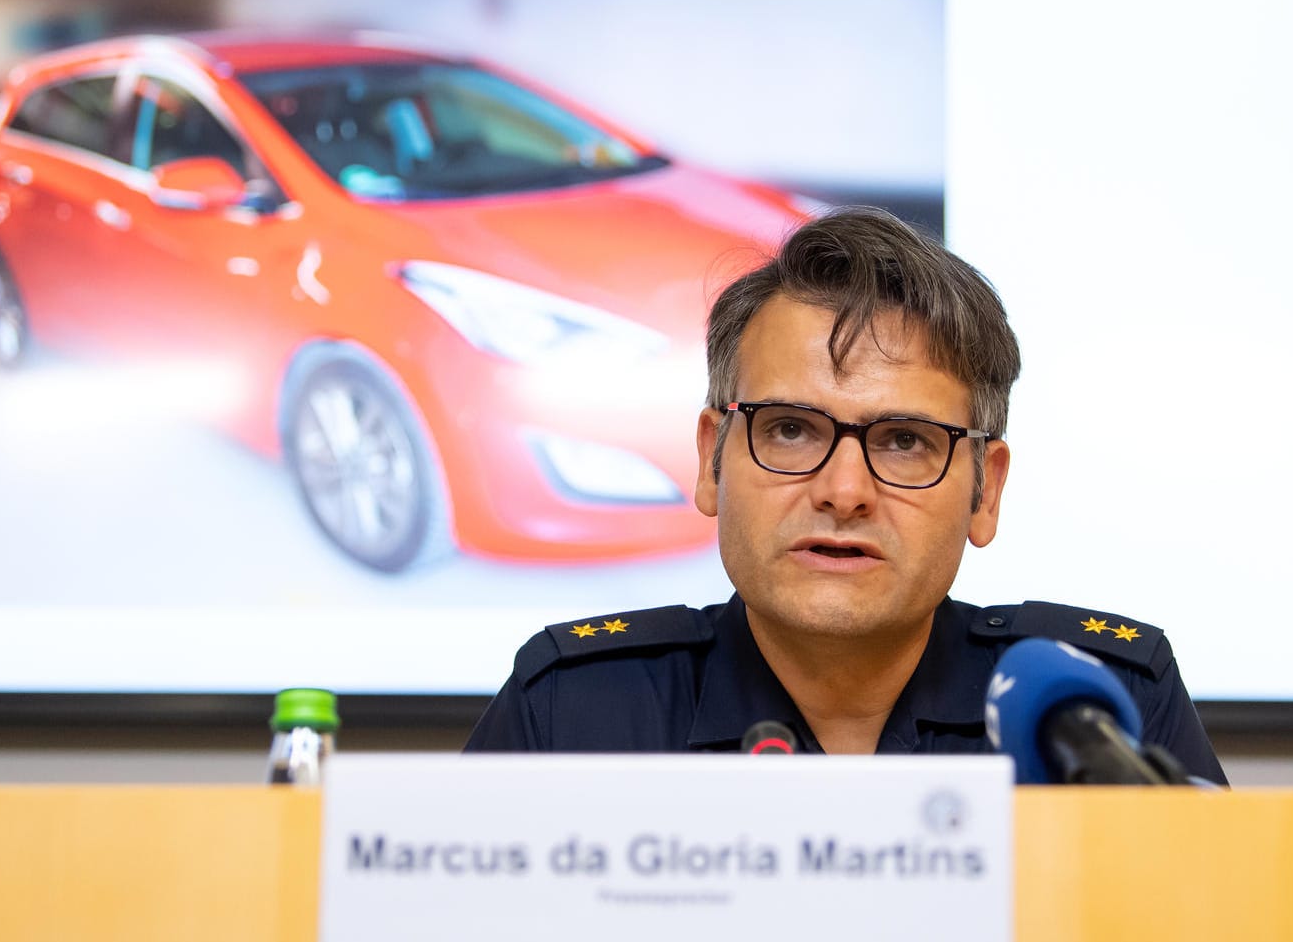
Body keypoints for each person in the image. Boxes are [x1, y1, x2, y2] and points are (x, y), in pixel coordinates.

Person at [464, 205, 1225, 783]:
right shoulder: (573, 710)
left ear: (984, 492)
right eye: (790, 430)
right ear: (711, 460)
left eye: (904, 441)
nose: (844, 491)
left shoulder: (1096, 719)